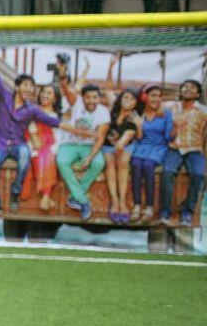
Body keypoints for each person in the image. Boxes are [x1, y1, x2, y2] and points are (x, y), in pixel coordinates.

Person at [0, 64, 60, 212]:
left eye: (31, 86)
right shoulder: (5, 97)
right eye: (25, 85)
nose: (29, 89)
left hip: (18, 143)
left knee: (25, 154)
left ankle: (15, 191)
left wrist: (76, 129)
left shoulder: (31, 108)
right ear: (17, 86)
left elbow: (51, 120)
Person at [55, 78, 111, 222]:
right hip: (70, 143)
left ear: (99, 98)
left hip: (89, 146)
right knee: (62, 161)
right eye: (88, 97)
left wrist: (89, 158)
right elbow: (66, 88)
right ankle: (83, 200)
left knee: (98, 163)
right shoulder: (77, 103)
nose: (91, 101)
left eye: (95, 97)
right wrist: (62, 74)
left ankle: (74, 198)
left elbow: (100, 139)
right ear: (83, 98)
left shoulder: (103, 112)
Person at [161, 79, 206, 227]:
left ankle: (187, 210)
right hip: (175, 147)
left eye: (192, 87)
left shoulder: (203, 111)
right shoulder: (171, 107)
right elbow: (152, 104)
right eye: (185, 87)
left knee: (199, 174)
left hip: (194, 149)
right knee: (167, 171)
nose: (187, 89)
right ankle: (165, 211)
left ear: (198, 93)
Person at [128, 86, 173, 224]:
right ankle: (136, 205)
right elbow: (138, 138)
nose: (156, 99)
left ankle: (149, 206)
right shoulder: (139, 112)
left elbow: (168, 137)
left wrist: (175, 127)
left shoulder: (166, 113)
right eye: (153, 95)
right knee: (136, 164)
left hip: (158, 146)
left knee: (148, 166)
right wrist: (139, 126)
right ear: (146, 97)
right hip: (142, 145)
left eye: (159, 96)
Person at [102, 89, 140, 224]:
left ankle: (123, 203)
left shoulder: (134, 117)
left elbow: (128, 136)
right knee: (110, 164)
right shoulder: (114, 110)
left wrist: (119, 144)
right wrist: (112, 68)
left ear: (136, 102)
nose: (128, 101)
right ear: (121, 98)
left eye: (132, 99)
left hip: (125, 145)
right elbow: (109, 88)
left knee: (123, 164)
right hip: (108, 144)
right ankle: (115, 202)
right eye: (126, 97)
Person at [26, 83, 64, 212]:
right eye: (43, 92)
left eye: (49, 93)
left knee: (48, 157)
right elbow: (28, 130)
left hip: (50, 148)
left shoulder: (56, 116)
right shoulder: (32, 111)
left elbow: (59, 138)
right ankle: (46, 198)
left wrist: (51, 151)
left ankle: (45, 198)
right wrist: (34, 146)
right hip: (33, 146)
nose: (44, 95)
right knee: (39, 157)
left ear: (55, 98)